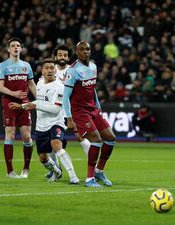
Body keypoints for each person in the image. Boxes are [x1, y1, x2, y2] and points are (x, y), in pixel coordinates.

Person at [9, 58, 79, 184]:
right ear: (42, 71)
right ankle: (57, 171)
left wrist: (35, 106)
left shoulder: (60, 87)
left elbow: (55, 110)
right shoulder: (40, 83)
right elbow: (39, 102)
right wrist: (22, 106)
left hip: (56, 122)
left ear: (55, 70)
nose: (50, 70)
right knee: (43, 158)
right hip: (41, 126)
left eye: (52, 68)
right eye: (47, 68)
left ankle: (73, 176)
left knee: (56, 144)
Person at [63, 41, 116, 188]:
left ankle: (99, 171)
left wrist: (98, 106)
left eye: (87, 49)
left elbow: (92, 89)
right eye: (82, 49)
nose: (85, 52)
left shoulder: (93, 67)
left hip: (93, 109)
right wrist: (69, 118)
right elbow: (66, 96)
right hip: (80, 111)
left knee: (110, 138)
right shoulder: (73, 70)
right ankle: (89, 179)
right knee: (96, 139)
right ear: (77, 51)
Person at [44, 45, 91, 179]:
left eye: (65, 55)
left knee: (80, 137)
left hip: (71, 110)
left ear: (68, 57)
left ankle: (93, 169)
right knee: (51, 142)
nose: (62, 57)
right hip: (54, 112)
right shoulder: (51, 71)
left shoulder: (74, 70)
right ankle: (56, 169)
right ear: (55, 57)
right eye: (60, 55)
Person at [0, 37, 37, 178]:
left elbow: (31, 84)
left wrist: (40, 100)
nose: (15, 48)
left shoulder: (26, 65)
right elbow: (0, 87)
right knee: (10, 135)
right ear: (8, 49)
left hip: (24, 104)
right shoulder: (3, 66)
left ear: (21, 48)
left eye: (18, 45)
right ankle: (10, 171)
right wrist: (14, 93)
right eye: (13, 45)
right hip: (9, 103)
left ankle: (26, 169)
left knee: (26, 136)